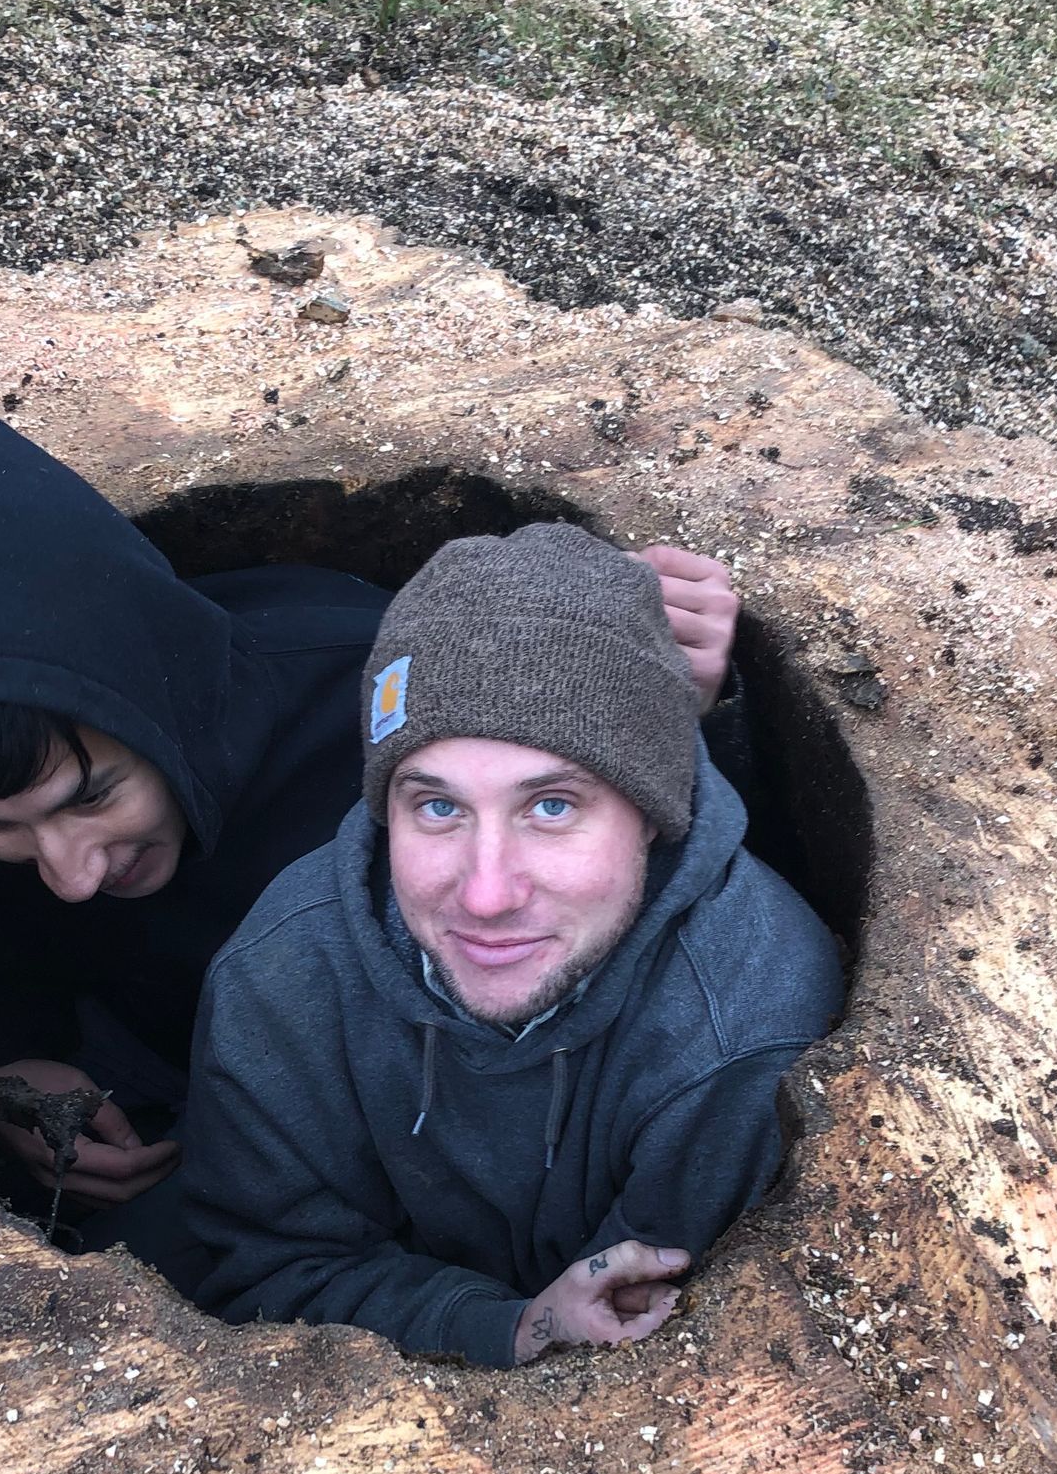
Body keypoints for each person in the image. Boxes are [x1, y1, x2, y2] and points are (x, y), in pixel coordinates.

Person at [0, 411, 747, 1267]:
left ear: (160, 707)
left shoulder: (365, 688)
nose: (72, 877)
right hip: (163, 1085)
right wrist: (5, 1069)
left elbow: (611, 838)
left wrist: (677, 716)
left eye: (95, 797)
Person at [182, 524, 843, 1365]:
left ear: (652, 811)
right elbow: (264, 1275)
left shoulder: (746, 1033)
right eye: (439, 807)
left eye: (552, 807)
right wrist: (510, 1327)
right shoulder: (282, 976)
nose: (486, 895)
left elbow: (675, 1349)